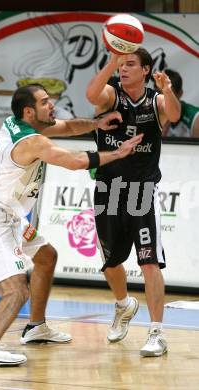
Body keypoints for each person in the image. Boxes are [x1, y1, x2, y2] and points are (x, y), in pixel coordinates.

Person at [0, 83, 143, 367]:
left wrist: (97, 124)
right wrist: (117, 153)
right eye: (45, 102)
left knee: (46, 257)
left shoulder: (18, 123)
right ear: (29, 111)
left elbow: (69, 127)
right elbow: (74, 161)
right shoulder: (31, 141)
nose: (52, 105)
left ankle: (36, 327)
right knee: (16, 289)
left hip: (10, 215)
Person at [86, 48, 181, 357]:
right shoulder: (111, 95)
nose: (123, 69)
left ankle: (156, 332)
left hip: (141, 191)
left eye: (130, 65)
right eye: (121, 65)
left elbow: (175, 114)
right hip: (107, 190)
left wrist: (167, 89)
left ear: (145, 70)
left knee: (149, 262)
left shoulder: (155, 101)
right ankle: (124, 304)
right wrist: (112, 61)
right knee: (111, 263)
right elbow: (91, 94)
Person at [162, 69, 199, 138]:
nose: (162, 98)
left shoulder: (195, 118)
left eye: (167, 93)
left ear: (180, 94)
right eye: (158, 92)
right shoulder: (147, 112)